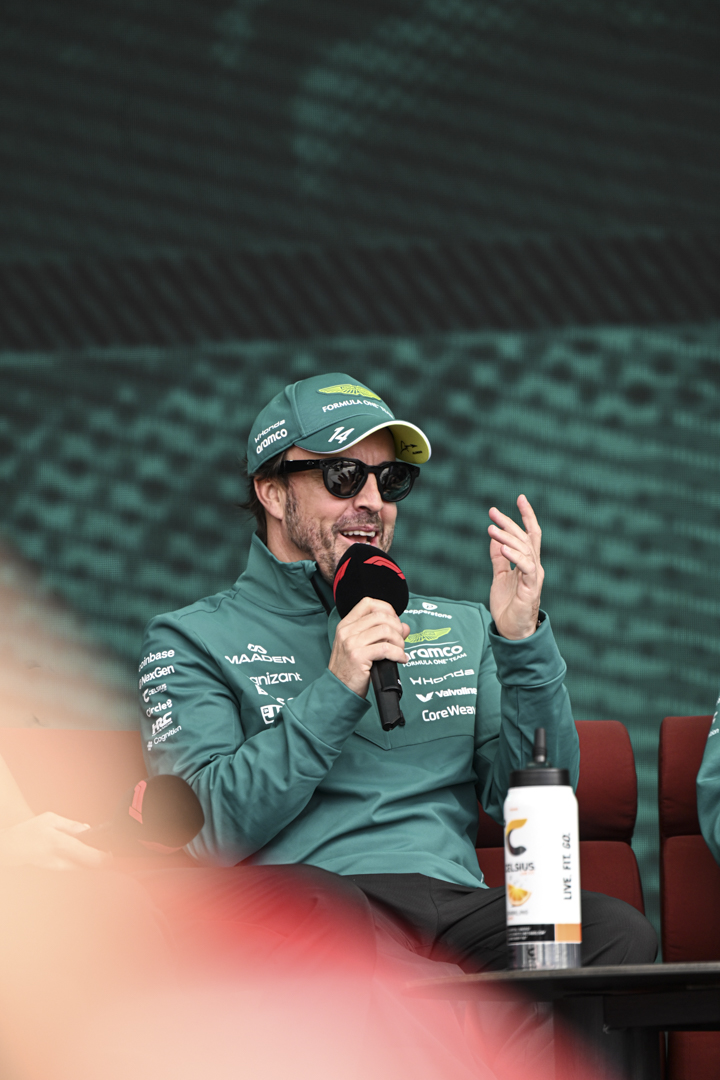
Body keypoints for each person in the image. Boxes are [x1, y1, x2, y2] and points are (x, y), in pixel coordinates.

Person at [138, 372, 656, 976]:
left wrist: (522, 643)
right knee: (335, 925)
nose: (372, 501)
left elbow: (534, 797)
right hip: (318, 907)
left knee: (615, 935)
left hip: (455, 908)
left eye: (390, 480)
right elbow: (203, 834)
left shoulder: (464, 625)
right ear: (273, 493)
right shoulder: (189, 638)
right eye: (343, 476)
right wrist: (336, 690)